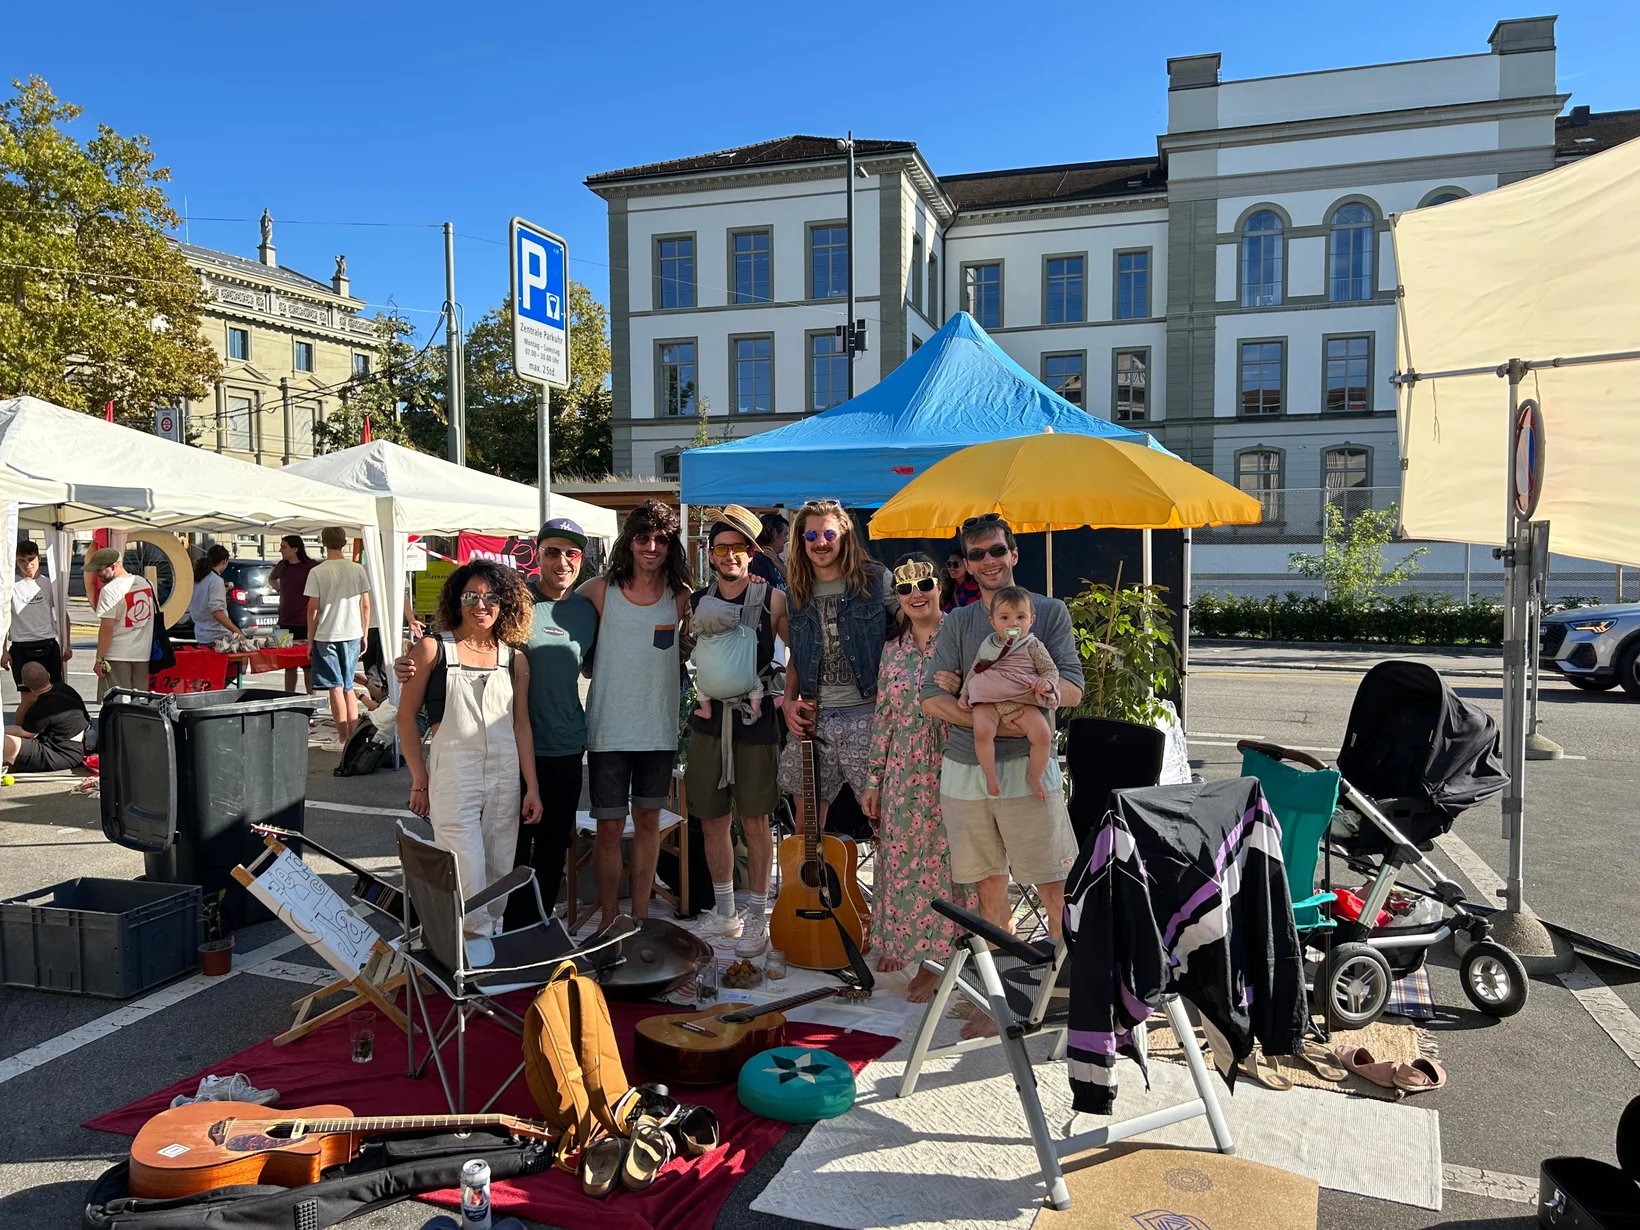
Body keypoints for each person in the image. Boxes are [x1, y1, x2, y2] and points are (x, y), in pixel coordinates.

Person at [921, 514, 1085, 949]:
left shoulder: (1048, 613)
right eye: (977, 554)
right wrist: (987, 719)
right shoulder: (957, 621)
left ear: (1013, 553)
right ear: (968, 565)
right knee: (988, 887)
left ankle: (1062, 988)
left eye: (997, 550)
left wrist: (999, 703)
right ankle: (1002, 1000)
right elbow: (929, 698)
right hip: (964, 769)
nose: (989, 560)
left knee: (1054, 884)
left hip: (1027, 769)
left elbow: (1071, 690)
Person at [397, 560, 542, 937]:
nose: (482, 604)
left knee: (498, 873)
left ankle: (483, 947)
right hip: (454, 774)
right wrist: (419, 779)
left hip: (505, 773)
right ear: (456, 600)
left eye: (491, 597)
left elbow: (521, 724)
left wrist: (532, 787)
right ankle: (468, 958)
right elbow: (405, 717)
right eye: (471, 596)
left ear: (504, 603)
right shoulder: (432, 649)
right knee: (465, 870)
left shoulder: (514, 659)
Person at [859, 554, 977, 1002]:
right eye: (905, 588)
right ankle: (903, 943)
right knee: (902, 861)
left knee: (950, 866)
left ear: (939, 586)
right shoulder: (894, 647)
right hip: (904, 767)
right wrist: (874, 780)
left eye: (923, 583)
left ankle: (938, 960)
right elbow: (885, 716)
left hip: (954, 759)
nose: (915, 594)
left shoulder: (962, 634)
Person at [579, 499, 692, 931]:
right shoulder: (599, 590)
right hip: (607, 731)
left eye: (660, 539)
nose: (651, 546)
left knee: (648, 825)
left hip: (658, 730)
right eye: (643, 537)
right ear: (629, 542)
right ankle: (610, 920)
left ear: (670, 546)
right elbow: (546, 615)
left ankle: (641, 917)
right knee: (608, 830)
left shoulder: (679, 597)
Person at [686, 506, 789, 958]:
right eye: (721, 548)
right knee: (712, 819)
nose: (730, 556)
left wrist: (790, 695)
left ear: (751, 553)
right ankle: (725, 912)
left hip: (756, 719)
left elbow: (797, 652)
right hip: (710, 724)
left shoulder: (773, 600)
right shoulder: (694, 602)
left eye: (738, 548)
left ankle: (757, 917)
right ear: (710, 555)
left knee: (754, 821)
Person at [780, 499, 896, 833]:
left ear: (844, 536)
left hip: (868, 715)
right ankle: (813, 888)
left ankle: (892, 885)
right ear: (801, 541)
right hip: (814, 719)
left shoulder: (876, 580)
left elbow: (911, 631)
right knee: (806, 829)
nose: (820, 542)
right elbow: (798, 655)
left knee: (885, 822)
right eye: (811, 534)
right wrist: (789, 700)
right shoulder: (796, 592)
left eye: (829, 533)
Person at [958, 586, 1061, 801]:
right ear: (993, 622)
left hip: (1019, 699)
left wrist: (1047, 684)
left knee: (1043, 735)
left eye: (1020, 617)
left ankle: (1035, 775)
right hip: (988, 699)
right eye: (1005, 617)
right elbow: (975, 670)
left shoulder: (1033, 645)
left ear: (1031, 620)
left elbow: (1050, 670)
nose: (1013, 623)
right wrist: (965, 694)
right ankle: (990, 774)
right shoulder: (988, 646)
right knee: (982, 731)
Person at [305, 527, 371, 749]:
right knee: (348, 686)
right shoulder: (357, 569)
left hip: (327, 633)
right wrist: (365, 632)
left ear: (323, 543)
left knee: (335, 686)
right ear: (344, 543)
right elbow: (366, 604)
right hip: (353, 632)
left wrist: (310, 639)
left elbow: (312, 609)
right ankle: (352, 736)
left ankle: (342, 738)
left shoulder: (317, 572)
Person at [88, 547, 155, 700]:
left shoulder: (110, 590)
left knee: (118, 704)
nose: (96, 574)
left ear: (114, 566)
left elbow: (107, 628)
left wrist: (99, 659)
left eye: (99, 570)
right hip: (143, 653)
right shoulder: (147, 583)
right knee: (141, 703)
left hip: (117, 654)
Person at [3, 661, 88, 774]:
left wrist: (3, 730)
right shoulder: (64, 688)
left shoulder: (41, 707)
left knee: (3, 741)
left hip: (59, 754)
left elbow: (25, 733)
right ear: (48, 675)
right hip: (76, 749)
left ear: (24, 684)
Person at [4, 541, 69, 687]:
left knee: (53, 691)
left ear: (39, 558)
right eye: (22, 561)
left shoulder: (50, 584)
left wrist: (67, 645)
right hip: (21, 645)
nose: (27, 565)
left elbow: (62, 614)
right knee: (28, 696)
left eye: (31, 559)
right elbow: (3, 619)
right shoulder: (10, 585)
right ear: (16, 561)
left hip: (48, 643)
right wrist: (3, 651)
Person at [269, 534, 317, 693]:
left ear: (295, 549)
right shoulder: (282, 565)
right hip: (284, 620)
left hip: (304, 621)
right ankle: (288, 697)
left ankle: (312, 699)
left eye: (284, 547)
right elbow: (271, 579)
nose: (281, 550)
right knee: (288, 665)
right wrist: (279, 589)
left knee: (308, 666)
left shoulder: (310, 567)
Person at [187, 545, 240, 647]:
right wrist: (237, 632)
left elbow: (203, 599)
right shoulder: (216, 580)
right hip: (218, 635)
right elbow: (216, 612)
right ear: (224, 561)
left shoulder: (198, 578)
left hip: (201, 635)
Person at [749, 511, 789, 591]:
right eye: (785, 534)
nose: (786, 539)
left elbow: (793, 582)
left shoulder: (774, 559)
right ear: (775, 534)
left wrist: (777, 561)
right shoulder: (757, 561)